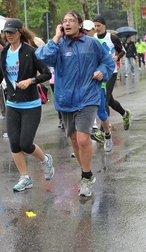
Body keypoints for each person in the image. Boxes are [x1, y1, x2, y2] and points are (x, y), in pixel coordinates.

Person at [36, 10, 115, 196]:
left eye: (72, 20)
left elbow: (108, 62)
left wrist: (102, 71)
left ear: (80, 24)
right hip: (66, 99)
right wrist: (56, 37)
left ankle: (86, 178)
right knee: (74, 141)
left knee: (82, 139)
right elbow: (43, 57)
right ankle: (86, 172)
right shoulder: (58, 45)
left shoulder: (92, 43)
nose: (68, 23)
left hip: (88, 97)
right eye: (64, 21)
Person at [0, 18, 54, 192]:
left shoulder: (31, 52)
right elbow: (0, 75)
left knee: (25, 143)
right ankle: (25, 177)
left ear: (20, 32)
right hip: (12, 104)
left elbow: (46, 74)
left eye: (12, 32)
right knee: (14, 144)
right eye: (6, 33)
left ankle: (45, 160)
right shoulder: (4, 53)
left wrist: (31, 80)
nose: (8, 35)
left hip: (31, 104)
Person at [93, 15, 132, 131]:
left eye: (99, 25)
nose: (97, 28)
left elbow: (122, 51)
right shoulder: (93, 37)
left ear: (104, 25)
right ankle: (125, 114)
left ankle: (102, 130)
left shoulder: (112, 38)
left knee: (104, 99)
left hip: (111, 71)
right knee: (110, 101)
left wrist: (116, 57)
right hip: (99, 71)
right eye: (95, 26)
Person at [82, 19, 114, 152]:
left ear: (93, 31)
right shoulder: (75, 45)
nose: (85, 33)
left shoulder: (100, 43)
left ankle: (107, 134)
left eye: (88, 31)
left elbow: (109, 61)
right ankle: (81, 144)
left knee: (101, 113)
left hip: (97, 85)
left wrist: (101, 71)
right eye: (83, 31)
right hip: (82, 86)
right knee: (81, 115)